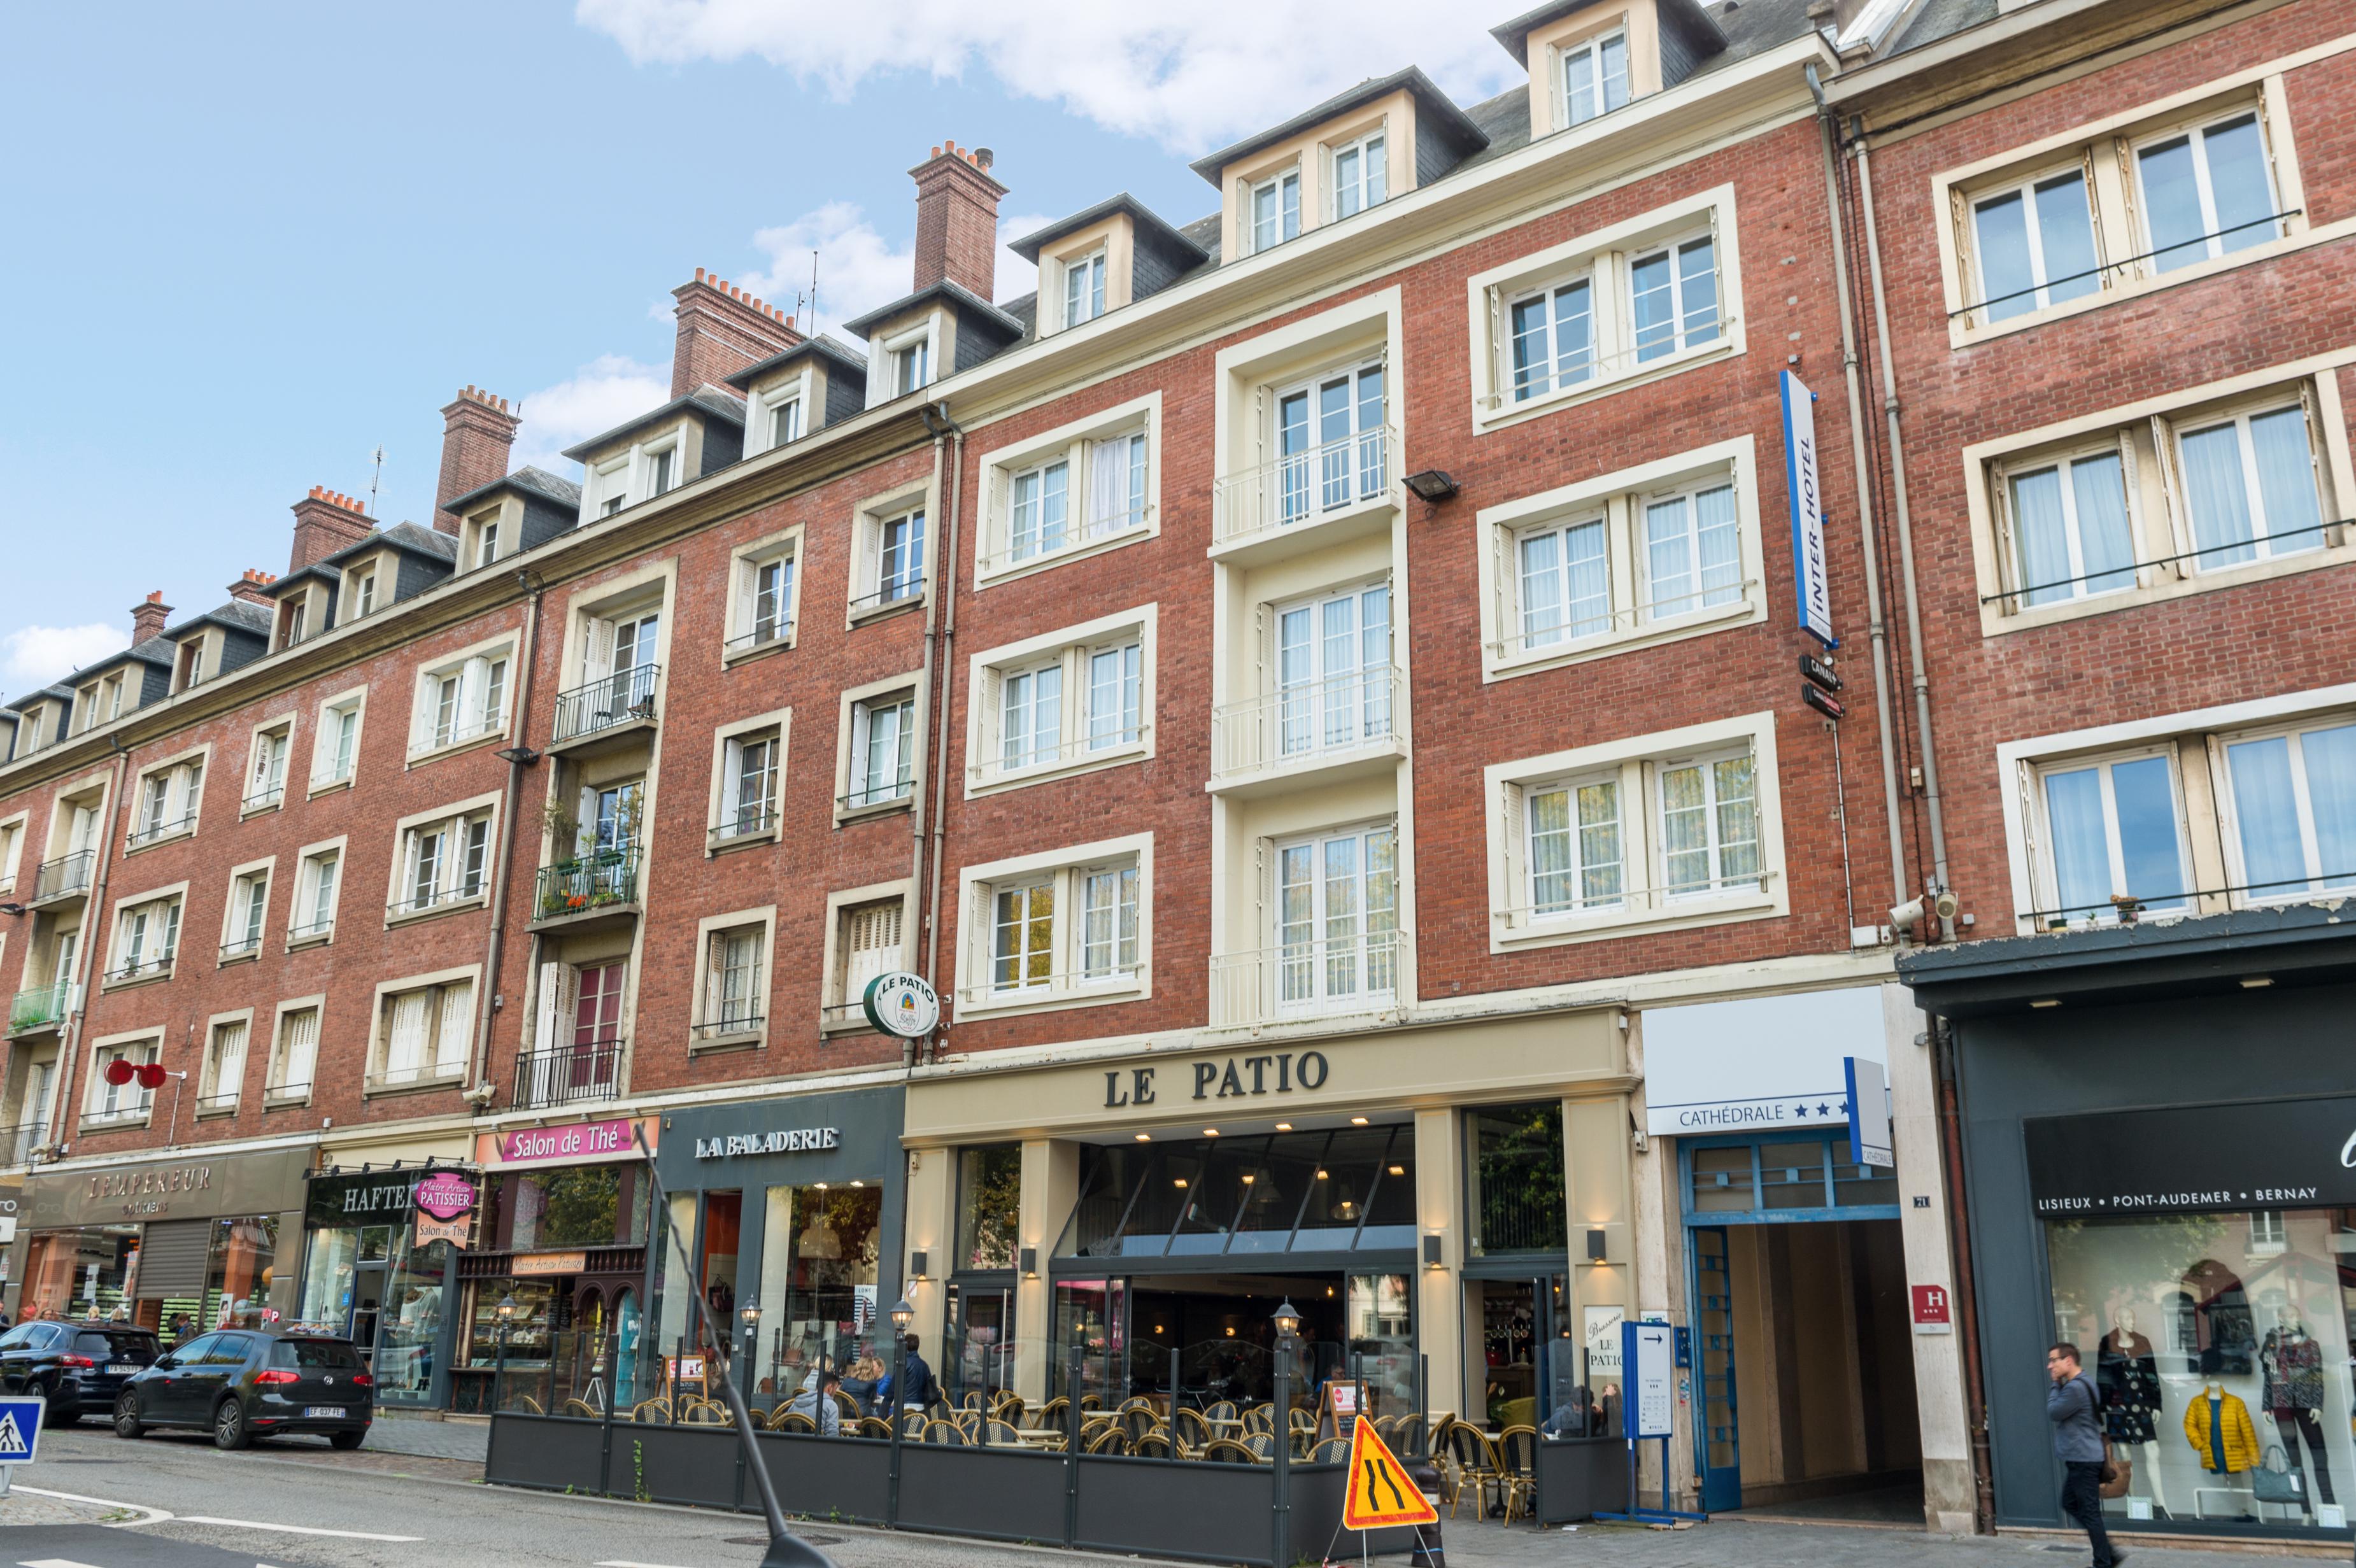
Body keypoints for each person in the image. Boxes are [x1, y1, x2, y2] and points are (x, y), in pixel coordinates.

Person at [2048, 1342, 2123, 1568]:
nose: (2049, 1366)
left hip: (2084, 1460)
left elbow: (2054, 1411)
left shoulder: (2074, 1388)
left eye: (2054, 1360)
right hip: (2084, 1457)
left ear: (2068, 1361)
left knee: (2090, 1513)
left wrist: (2054, 1385)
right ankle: (2109, 1553)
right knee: (2070, 1502)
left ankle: (2103, 1561)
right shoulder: (2085, 1381)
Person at [789, 1367, 844, 1437]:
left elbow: (784, 1424)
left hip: (793, 1444)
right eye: (836, 1389)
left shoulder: (796, 1403)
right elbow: (833, 1436)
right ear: (830, 1388)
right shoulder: (831, 1406)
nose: (836, 1392)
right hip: (817, 1446)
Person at [898, 1333, 938, 1415]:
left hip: (905, 1407)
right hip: (921, 1408)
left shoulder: (903, 1364)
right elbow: (928, 1386)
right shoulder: (924, 1365)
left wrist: (883, 1410)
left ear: (905, 1347)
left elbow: (894, 1387)